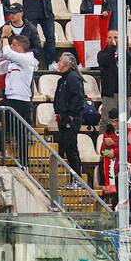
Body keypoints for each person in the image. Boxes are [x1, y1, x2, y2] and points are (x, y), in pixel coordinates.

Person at [53, 51, 86, 179]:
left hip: (70, 119)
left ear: (66, 64)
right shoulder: (62, 80)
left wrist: (71, 115)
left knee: (71, 149)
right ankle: (68, 178)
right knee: (64, 148)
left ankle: (77, 179)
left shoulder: (72, 77)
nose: (58, 63)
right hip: (62, 118)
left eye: (60, 61)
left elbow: (78, 98)